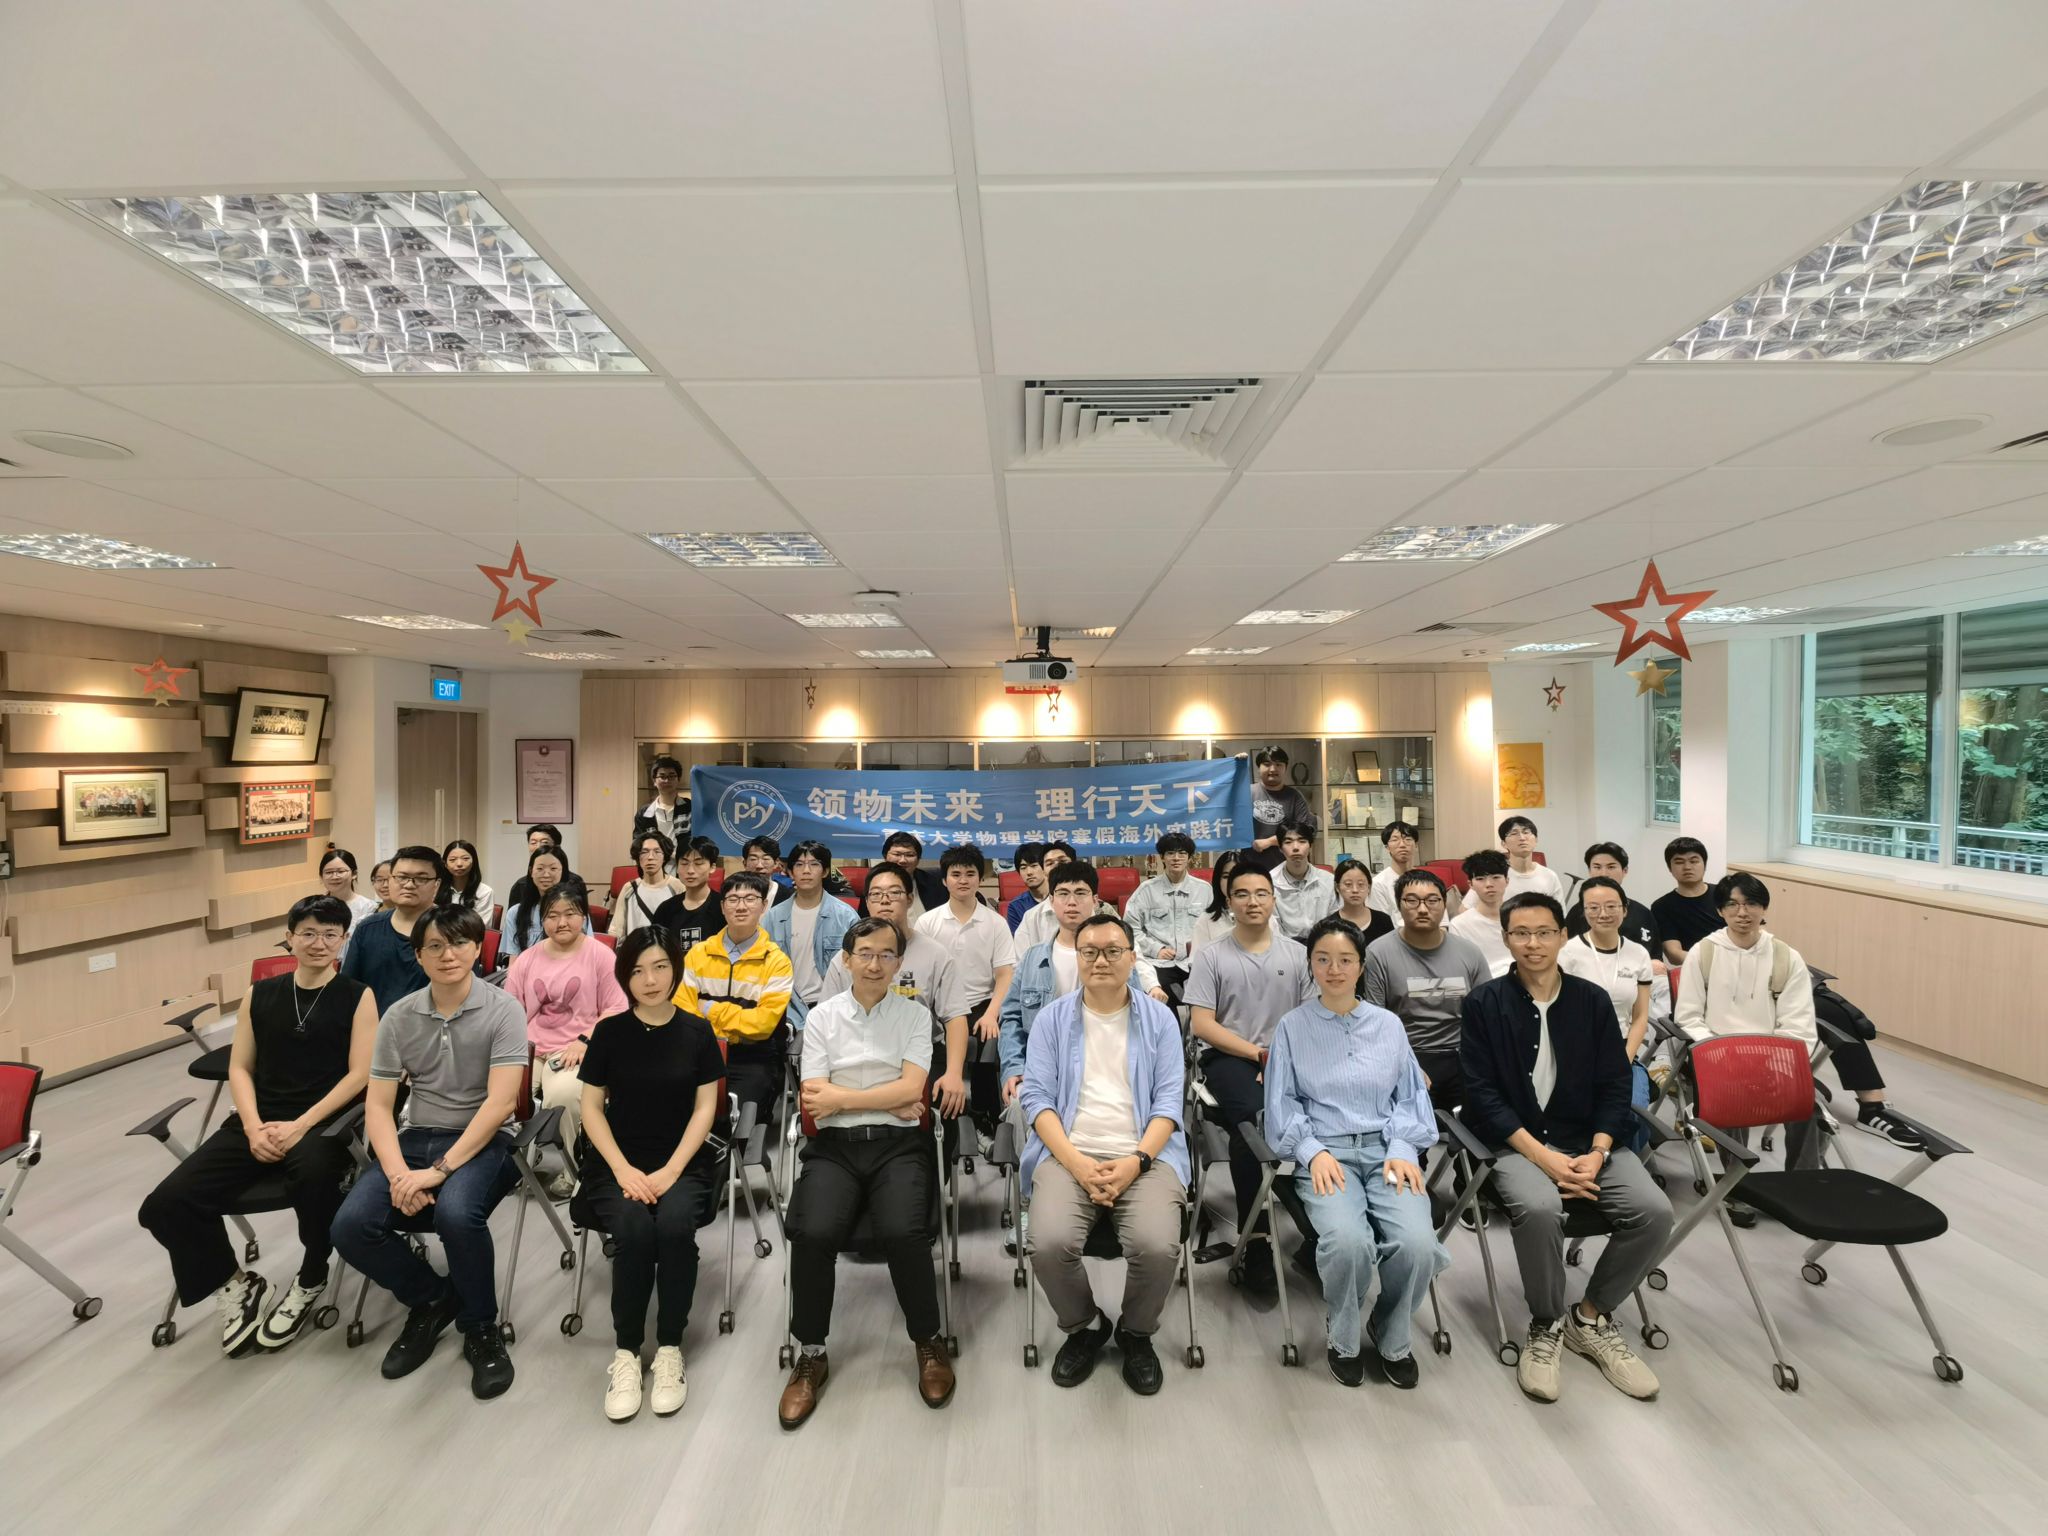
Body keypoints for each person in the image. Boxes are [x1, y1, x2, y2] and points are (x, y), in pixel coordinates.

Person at [138, 895, 376, 1356]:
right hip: (257, 1121)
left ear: (344, 940)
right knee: (165, 1203)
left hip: (323, 1123)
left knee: (314, 1179)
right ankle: (234, 1283)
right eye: (308, 933)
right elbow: (240, 1068)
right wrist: (251, 1126)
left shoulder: (357, 996)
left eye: (330, 934)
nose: (318, 943)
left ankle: (312, 1274)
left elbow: (359, 1075)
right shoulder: (260, 995)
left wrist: (300, 1125)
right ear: (289, 938)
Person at [1459, 893, 1673, 1405]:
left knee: (1654, 1212)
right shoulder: (1484, 1003)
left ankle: (1590, 1317)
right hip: (1517, 1144)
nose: (1533, 943)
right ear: (1506, 939)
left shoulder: (1591, 1001)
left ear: (1561, 936)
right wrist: (1543, 1157)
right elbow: (1481, 1095)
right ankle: (1546, 1322)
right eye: (1521, 933)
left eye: (1543, 932)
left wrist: (1598, 1151)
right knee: (1539, 1207)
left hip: (1586, 1141)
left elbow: (1615, 1084)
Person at [330, 905, 527, 1399]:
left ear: (477, 948)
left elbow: (501, 1103)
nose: (448, 954)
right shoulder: (399, 1015)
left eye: (459, 942)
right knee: (350, 1225)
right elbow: (378, 1106)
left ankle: (479, 1325)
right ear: (418, 955)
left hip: (485, 1141)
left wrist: (438, 1172)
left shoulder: (504, 1009)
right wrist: (400, 1174)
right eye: (434, 946)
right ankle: (433, 1298)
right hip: (416, 1138)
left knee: (456, 1215)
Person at [778, 918, 955, 1429]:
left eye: (886, 955)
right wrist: (883, 1098)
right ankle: (811, 1353)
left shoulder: (916, 1017)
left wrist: (846, 1097)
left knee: (904, 1231)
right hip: (833, 1148)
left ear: (899, 963)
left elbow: (912, 1092)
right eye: (865, 954)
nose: (875, 964)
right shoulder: (822, 1017)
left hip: (899, 1147)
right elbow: (815, 1098)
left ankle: (928, 1340)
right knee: (812, 1232)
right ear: (846, 959)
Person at [1266, 916, 1448, 1388]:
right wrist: (1311, 1151)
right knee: (1348, 1243)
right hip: (1327, 1154)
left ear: (1361, 966)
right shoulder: (1292, 1027)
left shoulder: (1388, 1025)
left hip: (1388, 1150)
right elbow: (1281, 1105)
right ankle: (1343, 1335)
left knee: (1418, 1244)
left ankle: (1389, 1329)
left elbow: (1411, 1096)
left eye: (1345, 960)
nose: (1334, 969)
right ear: (1310, 965)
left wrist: (1404, 1146)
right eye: (1323, 959)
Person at [1020, 913, 1190, 1397]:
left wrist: (1136, 1162)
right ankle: (1085, 1326)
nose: (1100, 961)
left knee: (1157, 1246)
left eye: (1113, 951)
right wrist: (1076, 1163)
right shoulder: (1053, 1018)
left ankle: (1136, 1332)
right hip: (1068, 1154)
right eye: (1089, 951)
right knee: (1047, 1242)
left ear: (1133, 958)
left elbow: (1168, 1103)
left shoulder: (1160, 1019)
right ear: (1076, 958)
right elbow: (1037, 1100)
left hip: (1145, 1155)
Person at [578, 927, 727, 1422]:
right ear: (625, 977)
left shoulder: (697, 1031)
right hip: (617, 1162)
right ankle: (626, 1351)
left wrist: (671, 1170)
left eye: (660, 967)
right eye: (638, 970)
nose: (650, 980)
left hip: (682, 1160)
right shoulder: (609, 1032)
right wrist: (623, 1170)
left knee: (675, 1227)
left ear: (676, 970)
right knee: (634, 1229)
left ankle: (668, 1348)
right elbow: (591, 1108)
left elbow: (706, 1109)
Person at [1184, 860, 1315, 1295]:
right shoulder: (1212, 956)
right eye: (1242, 894)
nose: (1253, 901)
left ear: (1274, 900)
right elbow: (1203, 1025)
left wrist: (1281, 1060)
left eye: (1261, 893)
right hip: (1230, 1058)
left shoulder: (1297, 955)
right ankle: (1257, 1237)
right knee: (1253, 1125)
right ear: (1229, 901)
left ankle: (1320, 1229)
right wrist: (1260, 1056)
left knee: (1322, 1115)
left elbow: (1309, 1018)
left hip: (1290, 1056)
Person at [999, 861, 1170, 1101]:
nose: (1071, 902)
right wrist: (1014, 1067)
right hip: (1042, 1066)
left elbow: (1135, 1018)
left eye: (1080, 893)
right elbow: (1012, 1018)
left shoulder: (1115, 958)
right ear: (1051, 901)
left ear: (1095, 901)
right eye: (1063, 894)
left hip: (1104, 1066)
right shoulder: (1032, 958)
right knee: (1020, 1102)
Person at [504, 877, 628, 1198]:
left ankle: (575, 1169)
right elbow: (509, 1010)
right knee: (499, 1094)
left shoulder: (601, 956)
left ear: (583, 917)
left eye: (570, 914)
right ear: (542, 919)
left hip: (577, 1047)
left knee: (565, 1095)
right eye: (552, 915)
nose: (561, 922)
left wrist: (585, 1040)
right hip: (531, 1048)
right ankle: (509, 1165)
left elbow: (617, 1008)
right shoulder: (527, 959)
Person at [821, 864, 969, 1123]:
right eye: (876, 894)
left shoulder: (936, 954)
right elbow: (826, 1021)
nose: (885, 901)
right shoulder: (846, 958)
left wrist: (955, 1073)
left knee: (945, 1106)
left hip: (922, 1053)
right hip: (856, 1051)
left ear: (910, 899)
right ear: (867, 902)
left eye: (894, 893)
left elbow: (955, 1017)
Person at [1363, 870, 1492, 1110]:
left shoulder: (1469, 952)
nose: (1423, 909)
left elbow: (1486, 1016)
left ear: (1444, 904)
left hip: (1462, 1053)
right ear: (1399, 904)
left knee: (1476, 1124)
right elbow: (1375, 1022)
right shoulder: (1378, 953)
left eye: (1432, 900)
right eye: (1412, 900)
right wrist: (1404, 1064)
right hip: (1408, 1054)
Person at [673, 871, 794, 1123]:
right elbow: (682, 1012)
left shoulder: (777, 962)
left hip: (752, 1057)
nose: (741, 906)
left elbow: (762, 1025)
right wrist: (732, 1027)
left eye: (750, 899)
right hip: (699, 1052)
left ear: (763, 906)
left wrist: (708, 1008)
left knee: (741, 1120)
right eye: (733, 899)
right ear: (722, 906)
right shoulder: (698, 954)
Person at [914, 846, 1016, 1144]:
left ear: (980, 879)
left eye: (970, 874)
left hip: (980, 1005)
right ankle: (942, 1120)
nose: (963, 880)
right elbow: (922, 973)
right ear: (944, 880)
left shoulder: (995, 923)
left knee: (989, 1044)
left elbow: (1005, 974)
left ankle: (984, 1117)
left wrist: (992, 1014)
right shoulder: (927, 922)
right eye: (955, 874)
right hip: (937, 1007)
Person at [1558, 877, 1656, 1155]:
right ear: (1583, 911)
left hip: (1622, 1050)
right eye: (1593, 907)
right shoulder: (1568, 954)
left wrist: (1622, 1061)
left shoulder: (1638, 954)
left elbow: (1640, 1016)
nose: (1603, 913)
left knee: (1633, 1108)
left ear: (1625, 909)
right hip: (1577, 1053)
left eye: (1611, 906)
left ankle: (1628, 1164)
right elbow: (1560, 1016)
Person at [341, 845, 445, 1015]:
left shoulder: (451, 930)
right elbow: (349, 989)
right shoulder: (367, 928)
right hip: (375, 1026)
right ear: (390, 880)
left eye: (421, 878)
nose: (409, 885)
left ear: (436, 885)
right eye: (402, 877)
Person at [764, 839, 858, 1019]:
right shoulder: (773, 917)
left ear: (825, 871)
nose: (806, 871)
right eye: (799, 865)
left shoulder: (846, 916)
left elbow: (857, 967)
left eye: (814, 864)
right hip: (785, 1009)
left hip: (833, 1008)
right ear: (790, 872)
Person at [1124, 832, 1205, 994]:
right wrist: (1155, 949)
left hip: (1196, 962)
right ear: (1162, 857)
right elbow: (1129, 929)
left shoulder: (1204, 890)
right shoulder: (1146, 890)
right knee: (1155, 995)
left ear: (1189, 858)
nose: (1176, 858)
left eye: (1182, 853)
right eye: (1170, 853)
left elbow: (1212, 926)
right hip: (1159, 963)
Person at [1565, 844, 1661, 958]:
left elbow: (1656, 956)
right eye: (1597, 867)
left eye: (1611, 867)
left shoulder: (1642, 913)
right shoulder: (1577, 912)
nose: (1604, 873)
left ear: (1625, 871)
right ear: (1589, 871)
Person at [500, 846, 592, 962]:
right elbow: (514, 961)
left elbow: (587, 954)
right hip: (527, 972)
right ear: (531, 872)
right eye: (540, 868)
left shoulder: (576, 912)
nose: (546, 875)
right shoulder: (515, 913)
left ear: (563, 871)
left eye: (553, 868)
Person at [650, 837, 728, 951]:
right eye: (684, 863)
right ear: (677, 867)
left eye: (698, 863)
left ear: (712, 867)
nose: (690, 870)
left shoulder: (724, 907)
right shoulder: (665, 909)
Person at [1651, 836, 1718, 966]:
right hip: (1695, 969)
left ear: (1704, 865)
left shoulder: (1724, 894)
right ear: (1669, 868)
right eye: (1679, 862)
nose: (1687, 867)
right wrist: (1714, 962)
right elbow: (1673, 953)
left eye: (1694, 861)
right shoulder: (1662, 906)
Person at [1447, 850, 1513, 977]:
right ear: (1470, 884)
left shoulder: (1521, 918)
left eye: (1496, 877)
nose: (1489, 884)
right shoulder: (1459, 925)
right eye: (1480, 879)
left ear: (1507, 880)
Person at [1249, 746, 1316, 868]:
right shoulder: (1247, 793)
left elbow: (1303, 832)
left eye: (1278, 764)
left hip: (1286, 866)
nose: (1273, 769)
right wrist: (1236, 766)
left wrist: (1269, 842)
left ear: (1285, 768)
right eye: (1267, 764)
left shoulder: (1295, 796)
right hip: (1250, 865)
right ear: (1259, 767)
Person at [1269, 821, 1336, 942]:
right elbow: (1274, 927)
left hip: (1324, 944)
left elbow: (1336, 920)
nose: (1295, 847)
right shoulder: (1270, 882)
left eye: (1302, 841)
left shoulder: (1329, 880)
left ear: (1310, 846)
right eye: (1288, 842)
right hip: (1286, 947)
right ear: (1280, 848)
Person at [612, 830, 684, 938]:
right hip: (636, 947)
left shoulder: (678, 887)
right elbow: (616, 931)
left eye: (657, 851)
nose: (650, 857)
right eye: (644, 852)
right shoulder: (629, 889)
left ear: (664, 857)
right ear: (638, 857)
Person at [320, 847, 380, 961]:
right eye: (328, 872)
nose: (334, 876)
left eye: (340, 871)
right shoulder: (315, 907)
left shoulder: (369, 907)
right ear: (321, 876)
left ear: (354, 874)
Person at [873, 830, 947, 921]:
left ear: (918, 859)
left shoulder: (935, 883)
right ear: (885, 857)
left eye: (909, 855)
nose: (902, 860)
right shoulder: (874, 884)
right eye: (897, 854)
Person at [1187, 848, 1244, 956]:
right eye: (1226, 876)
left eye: (1237, 875)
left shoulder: (1264, 917)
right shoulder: (1206, 920)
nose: (1231, 881)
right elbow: (1197, 961)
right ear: (1218, 880)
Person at [1499, 816, 1566, 905]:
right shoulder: (1498, 877)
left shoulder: (1550, 876)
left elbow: (1559, 911)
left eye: (1526, 832)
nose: (1522, 838)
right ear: (1504, 843)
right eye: (1514, 833)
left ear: (1536, 840)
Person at [632, 755, 690, 856]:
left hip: (684, 863)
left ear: (678, 779)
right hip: (654, 864)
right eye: (662, 776)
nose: (667, 780)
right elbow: (638, 845)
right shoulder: (644, 813)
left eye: (671, 776)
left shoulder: (690, 807)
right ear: (654, 781)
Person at [1332, 857, 1394, 950]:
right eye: (1348, 884)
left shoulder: (1384, 921)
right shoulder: (1329, 925)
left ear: (1369, 887)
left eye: (1361, 884)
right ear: (1337, 887)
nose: (1355, 890)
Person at [1367, 821, 1422, 918]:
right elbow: (1382, 922)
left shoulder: (1427, 880)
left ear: (1416, 845)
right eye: (1395, 840)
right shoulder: (1378, 884)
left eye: (1408, 839)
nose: (1402, 845)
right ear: (1387, 847)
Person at [441, 840, 493, 921]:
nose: (459, 864)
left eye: (465, 858)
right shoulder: (436, 889)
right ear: (445, 864)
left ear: (473, 862)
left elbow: (482, 925)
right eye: (452, 859)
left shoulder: (484, 892)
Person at [1005, 842, 1050, 933]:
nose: (1029, 872)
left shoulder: (1060, 898)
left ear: (1045, 867)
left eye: (1034, 866)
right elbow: (1019, 939)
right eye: (1023, 867)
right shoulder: (1016, 906)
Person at [743, 835, 795, 905]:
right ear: (745, 863)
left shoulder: (787, 896)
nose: (759, 866)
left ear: (776, 863)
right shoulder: (732, 891)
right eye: (753, 859)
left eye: (766, 859)